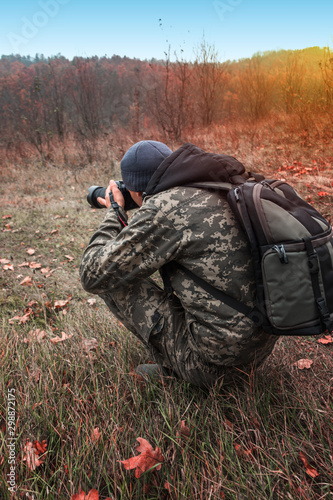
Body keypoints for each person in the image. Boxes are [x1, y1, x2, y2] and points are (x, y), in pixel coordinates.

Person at [80, 141, 278, 388]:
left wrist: (116, 211)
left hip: (215, 366)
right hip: (259, 348)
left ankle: (182, 368)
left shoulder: (166, 209)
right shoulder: (219, 185)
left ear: (138, 192)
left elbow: (92, 274)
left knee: (111, 279)